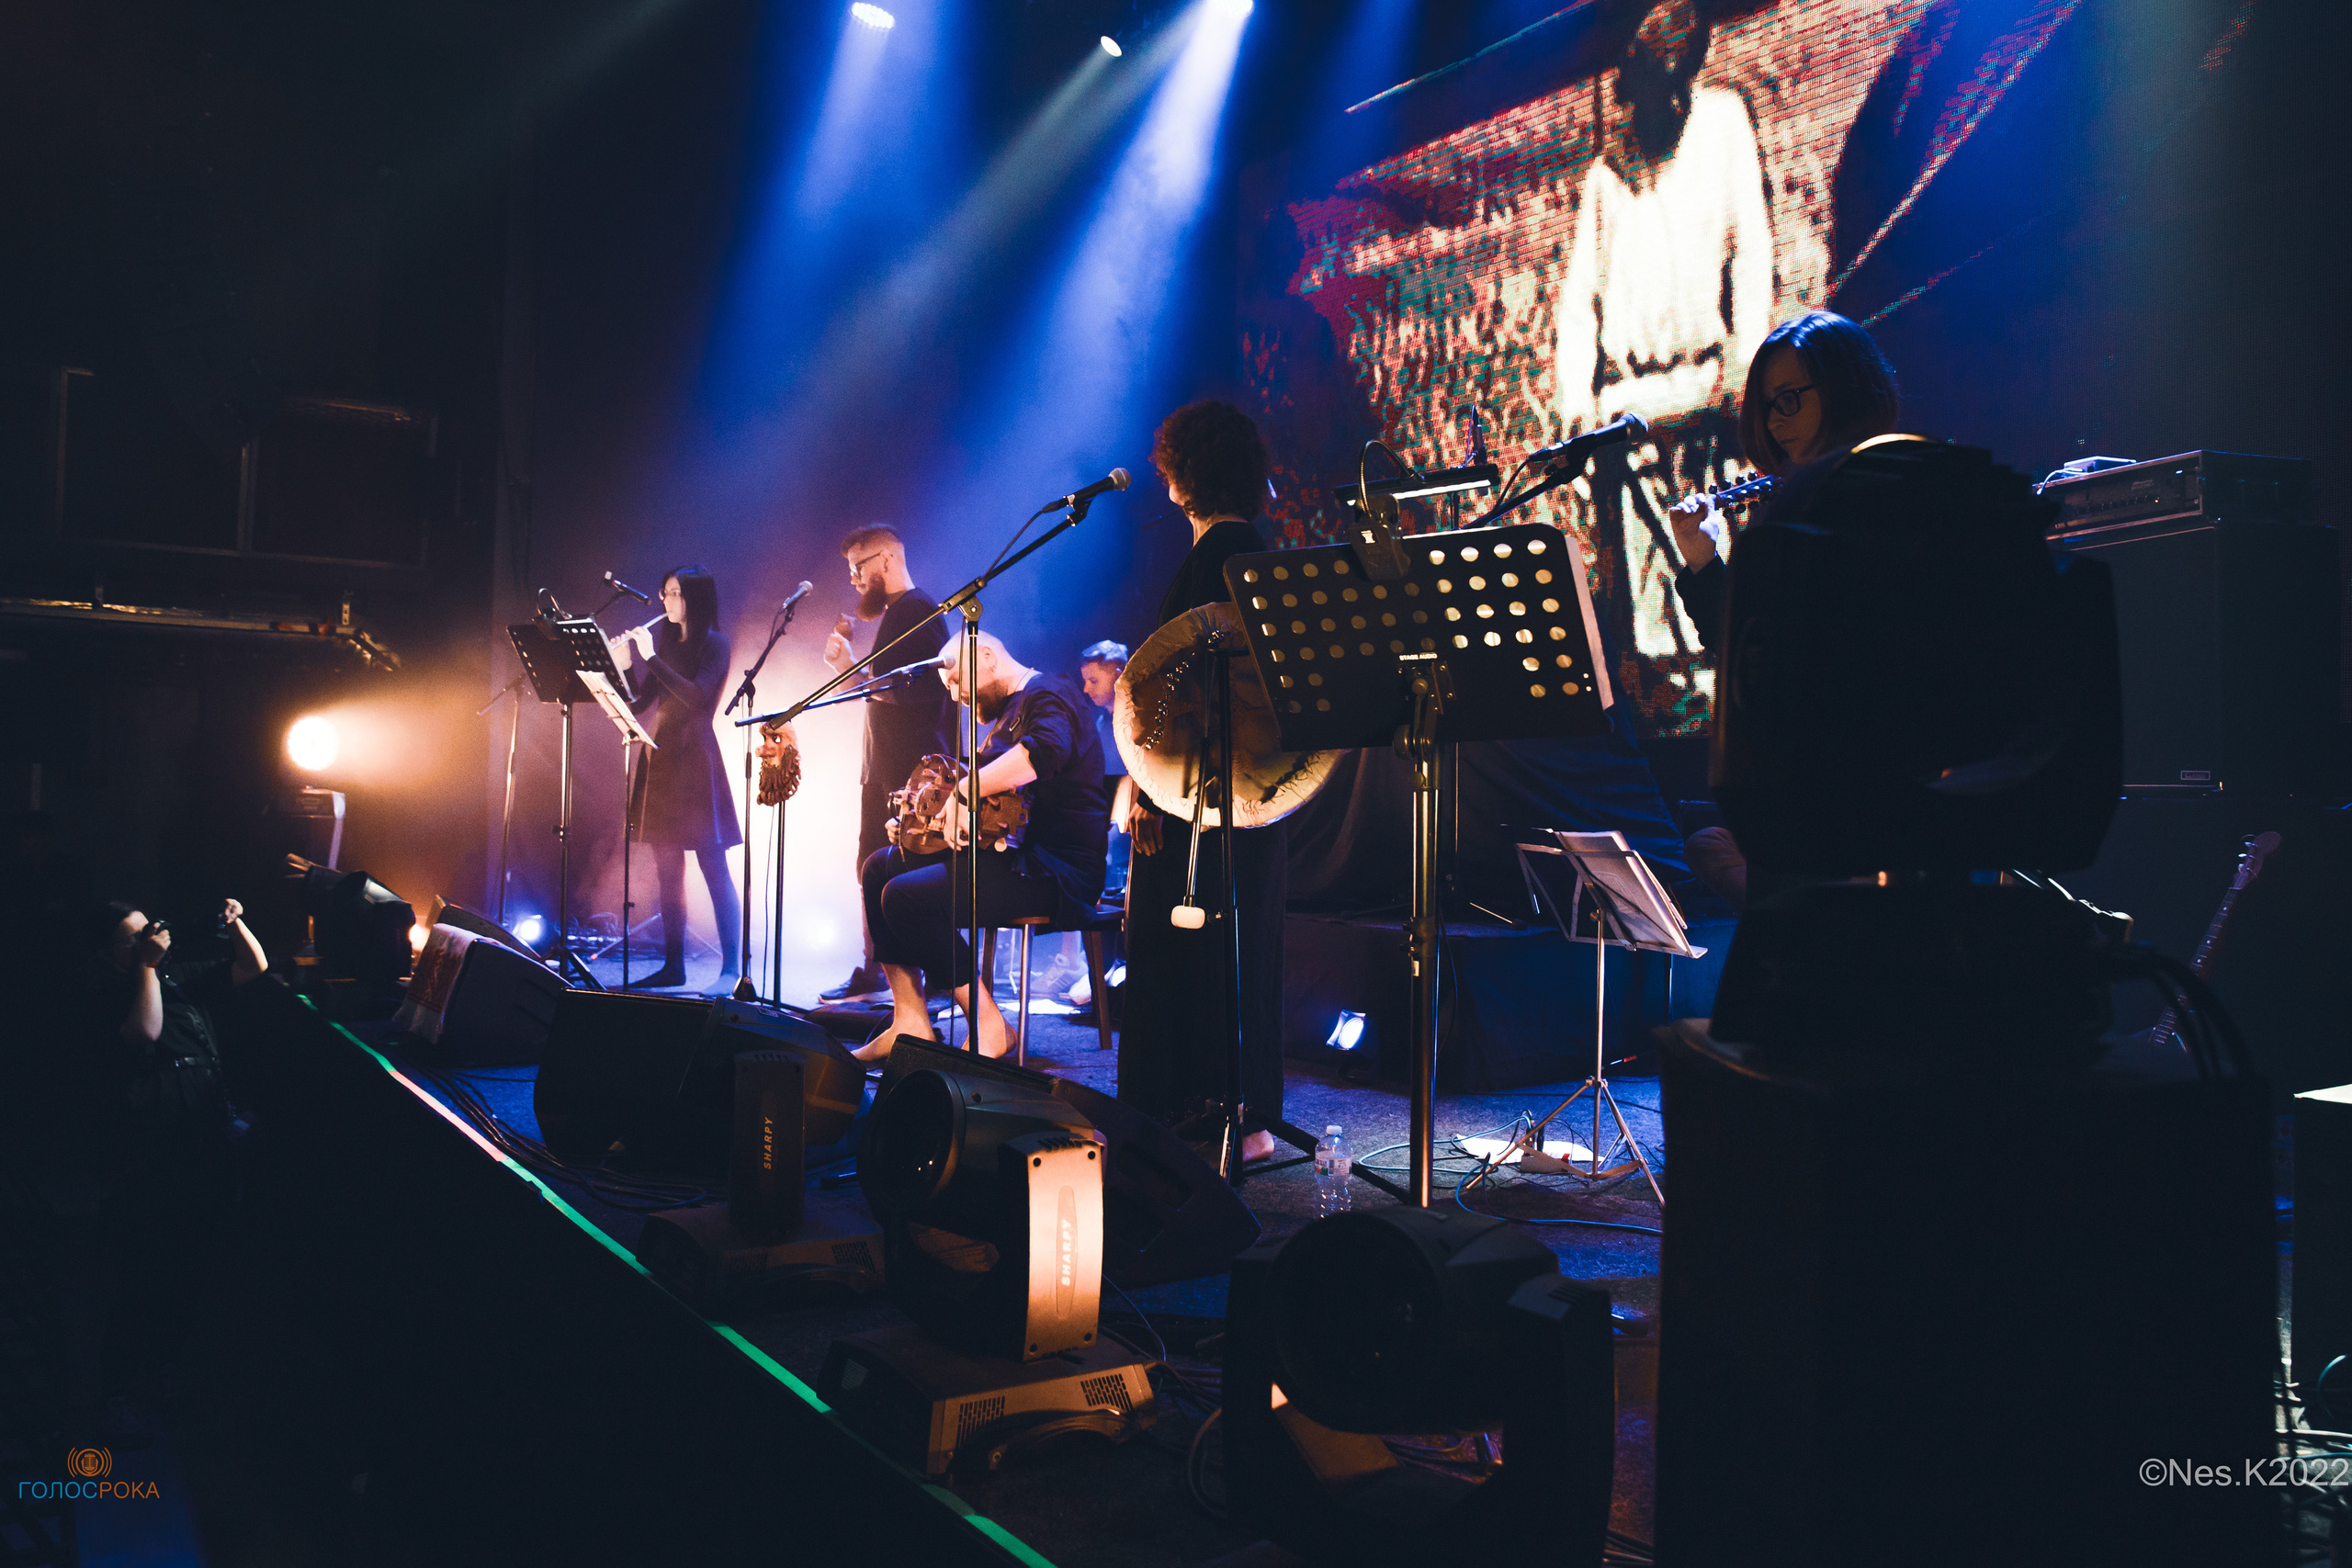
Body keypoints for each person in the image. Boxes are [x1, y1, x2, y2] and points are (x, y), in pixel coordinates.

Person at [1554, 0, 1774, 732]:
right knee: (1642, 610)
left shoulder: (1723, 126)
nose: (1664, 107)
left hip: (1708, 391)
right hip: (1631, 404)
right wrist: (1576, 407)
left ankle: (1724, 721)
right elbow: (1577, 301)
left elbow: (1752, 255)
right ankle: (1665, 734)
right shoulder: (1609, 171)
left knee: (1712, 575)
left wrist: (1747, 365)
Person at [1118, 400, 1286, 1165]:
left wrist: (1145, 789)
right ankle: (1239, 1110)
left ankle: (1202, 1115)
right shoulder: (1253, 550)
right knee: (1238, 952)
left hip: (1197, 797)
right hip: (1244, 795)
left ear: (1178, 476)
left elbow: (1175, 697)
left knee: (1194, 953)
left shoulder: (1217, 557)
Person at [57, 897, 266, 1439]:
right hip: (149, 1144)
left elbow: (254, 967)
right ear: (108, 952)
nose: (149, 939)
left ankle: (163, 1372)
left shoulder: (175, 978)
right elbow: (145, 1035)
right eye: (133, 938)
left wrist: (234, 921)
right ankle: (117, 1393)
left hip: (198, 1137)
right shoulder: (105, 990)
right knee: (142, 1268)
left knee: (188, 1263)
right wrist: (146, 968)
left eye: (147, 931)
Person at [855, 633, 1105, 1061]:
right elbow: (991, 808)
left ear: (986, 657)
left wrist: (966, 790)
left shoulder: (1050, 693)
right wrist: (920, 824)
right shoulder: (1010, 713)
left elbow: (1040, 754)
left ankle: (990, 1024)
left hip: (1053, 869)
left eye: (955, 680)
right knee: (880, 867)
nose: (954, 694)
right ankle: (910, 1019)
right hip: (1010, 858)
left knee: (906, 897)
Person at [1665, 310, 1903, 651]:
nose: (1773, 424)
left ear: (1844, 387)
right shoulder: (1803, 509)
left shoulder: (1900, 503)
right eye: (1767, 407)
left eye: (1788, 399)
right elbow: (1752, 654)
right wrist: (1702, 559)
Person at [820, 525, 955, 1001]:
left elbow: (915, 693)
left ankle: (910, 986)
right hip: (885, 768)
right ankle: (879, 971)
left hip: (909, 776)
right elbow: (878, 694)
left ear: (888, 558)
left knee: (891, 872)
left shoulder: (918, 611)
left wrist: (855, 668)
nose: (854, 578)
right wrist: (846, 671)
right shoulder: (899, 613)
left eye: (859, 566)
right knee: (869, 866)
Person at [612, 567, 743, 991]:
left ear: (694, 598)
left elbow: (693, 698)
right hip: (660, 758)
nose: (665, 601)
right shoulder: (667, 642)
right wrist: (623, 668)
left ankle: (731, 969)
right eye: (664, 592)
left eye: (673, 593)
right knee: (668, 867)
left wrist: (649, 657)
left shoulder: (715, 643)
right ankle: (674, 966)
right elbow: (641, 702)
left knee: (712, 864)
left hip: (696, 761)